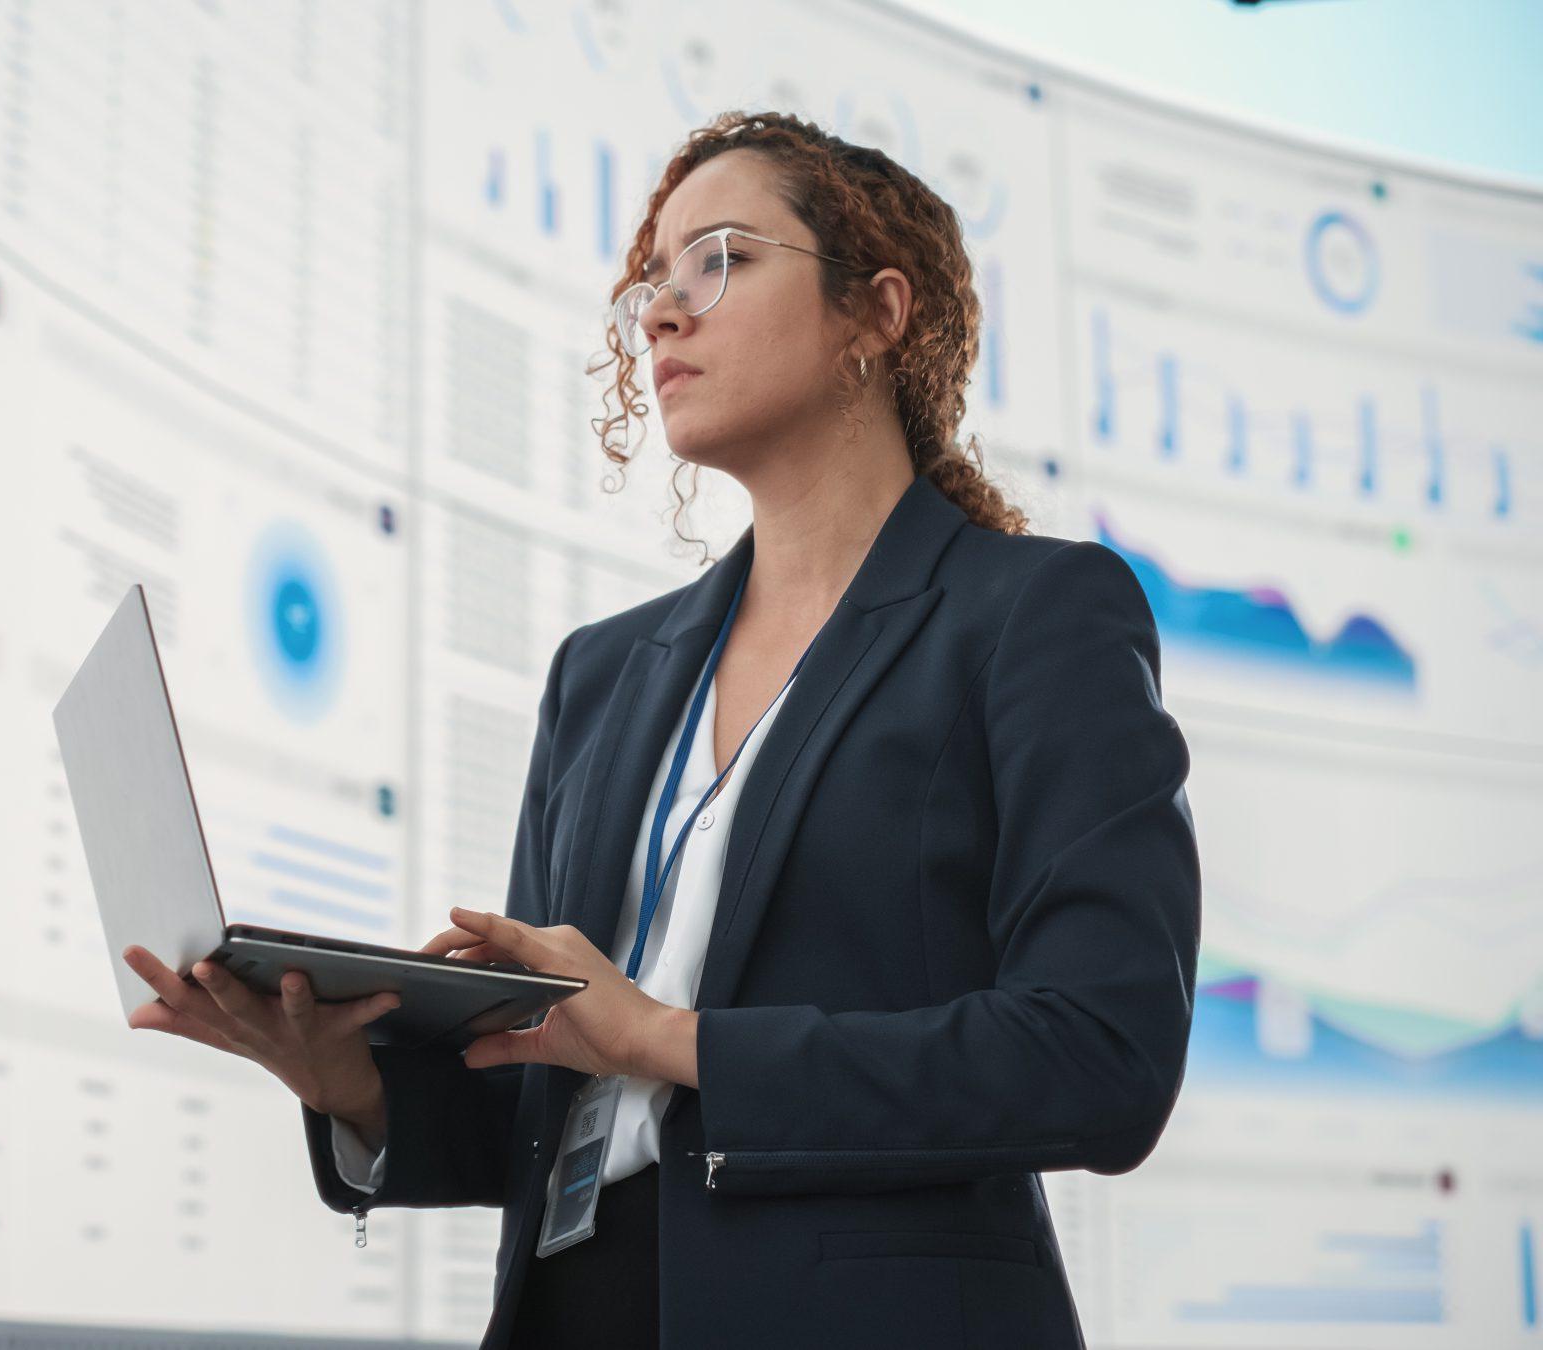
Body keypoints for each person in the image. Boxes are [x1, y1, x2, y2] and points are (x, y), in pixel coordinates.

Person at [121, 109, 1198, 1348]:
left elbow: (1101, 1055)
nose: (662, 312)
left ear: (877, 313)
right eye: (654, 278)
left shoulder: (1032, 616)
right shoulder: (602, 675)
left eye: (721, 258)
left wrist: (672, 1040)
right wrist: (343, 1077)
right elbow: (541, 1100)